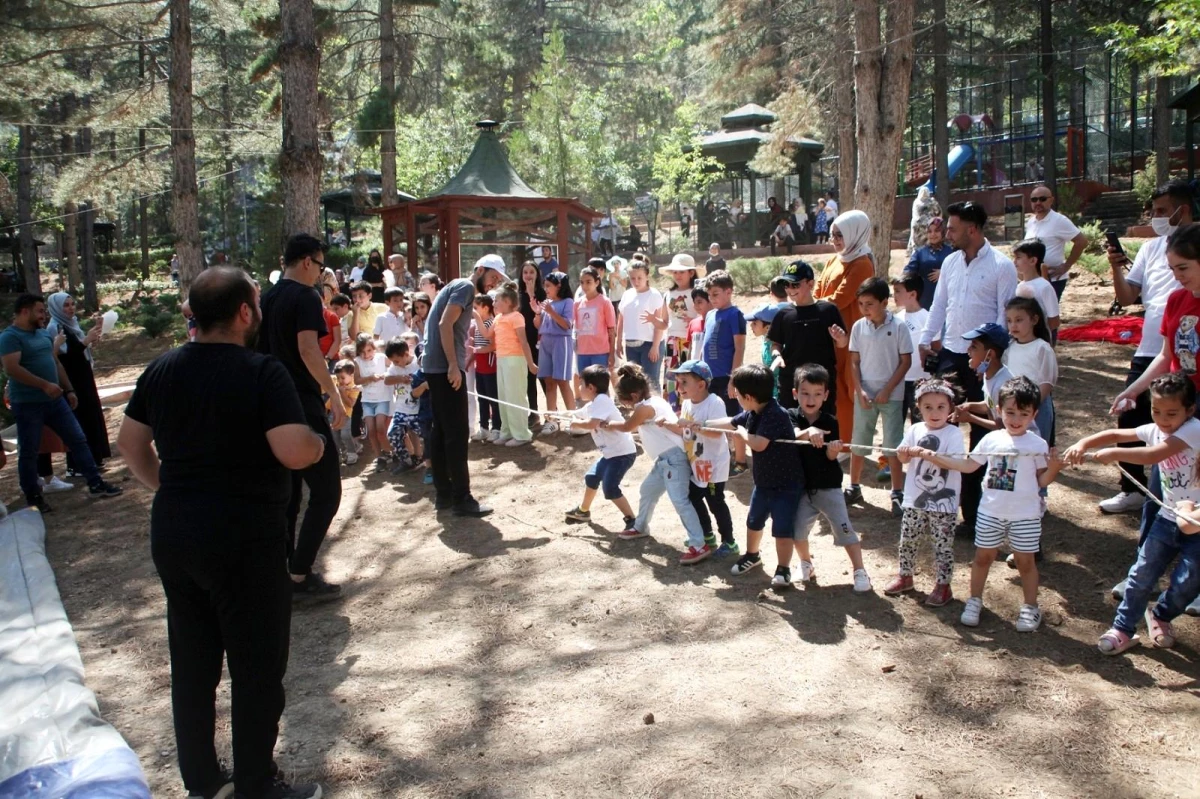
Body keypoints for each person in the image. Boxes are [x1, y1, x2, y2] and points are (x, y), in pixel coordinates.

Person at [116, 266, 326, 799]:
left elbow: (129, 444)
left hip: (176, 531)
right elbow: (293, 449)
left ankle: (204, 782)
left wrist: (171, 485)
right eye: (255, 302)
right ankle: (256, 784)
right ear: (244, 313)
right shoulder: (261, 372)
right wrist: (319, 441)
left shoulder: (161, 369)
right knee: (256, 668)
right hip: (242, 536)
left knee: (193, 664)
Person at [1063, 373, 1200, 654]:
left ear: (1190, 410)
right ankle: (1123, 629)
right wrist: (1084, 443)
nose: (1163, 419)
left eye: (1171, 413)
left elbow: (1153, 455)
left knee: (1189, 583)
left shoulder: (1192, 430)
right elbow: (1116, 434)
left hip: (1196, 522)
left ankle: (1160, 615)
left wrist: (1114, 454)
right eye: (1156, 411)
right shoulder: (1156, 429)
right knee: (1141, 575)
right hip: (1167, 518)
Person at [916, 377, 1063, 632]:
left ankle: (1030, 606)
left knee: (1025, 562)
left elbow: (1042, 480)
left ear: (1034, 414)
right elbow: (969, 466)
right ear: (999, 410)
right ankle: (974, 601)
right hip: (990, 512)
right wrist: (938, 458)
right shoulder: (991, 439)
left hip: (1025, 515)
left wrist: (1056, 467)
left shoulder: (1037, 444)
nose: (1016, 419)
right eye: (1010, 412)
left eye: (1023, 414)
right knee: (983, 557)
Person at [919, 201, 1017, 537]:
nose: (947, 233)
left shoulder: (1002, 266)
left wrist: (990, 362)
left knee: (984, 434)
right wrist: (925, 339)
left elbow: (1004, 319)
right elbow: (940, 305)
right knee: (937, 423)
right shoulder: (949, 262)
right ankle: (932, 502)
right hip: (950, 354)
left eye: (953, 227)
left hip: (982, 363)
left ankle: (976, 515)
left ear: (972, 229)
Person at [257, 234, 346, 600]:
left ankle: (281, 569)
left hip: (270, 404)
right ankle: (298, 573)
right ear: (307, 261)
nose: (321, 274)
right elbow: (309, 349)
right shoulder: (305, 296)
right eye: (321, 265)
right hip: (301, 403)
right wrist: (335, 394)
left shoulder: (268, 296)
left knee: (288, 495)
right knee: (326, 490)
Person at [1100, 181, 1192, 515]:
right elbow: (1129, 297)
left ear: (1185, 210)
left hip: (1186, 364)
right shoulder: (1155, 254)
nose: (1156, 218)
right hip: (1155, 350)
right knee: (1133, 415)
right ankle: (1134, 488)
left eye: (1163, 211)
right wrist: (1114, 266)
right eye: (1152, 212)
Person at [0, 294, 124, 512]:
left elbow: (55, 362)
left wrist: (69, 389)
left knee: (77, 439)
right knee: (29, 450)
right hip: (28, 404)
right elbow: (12, 368)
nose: (43, 315)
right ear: (25, 311)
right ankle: (33, 494)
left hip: (55, 400)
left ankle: (95, 482)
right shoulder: (10, 337)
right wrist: (44, 385)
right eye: (39, 311)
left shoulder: (42, 334)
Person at [701, 365, 806, 585]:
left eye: (737, 394)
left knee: (782, 529)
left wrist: (742, 434)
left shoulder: (775, 414)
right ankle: (752, 555)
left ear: (748, 396)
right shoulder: (753, 411)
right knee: (754, 522)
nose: (736, 397)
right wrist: (701, 424)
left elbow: (758, 444)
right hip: (763, 483)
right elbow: (731, 422)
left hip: (786, 485)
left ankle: (783, 569)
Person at [423, 254, 508, 514]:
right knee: (457, 433)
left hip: (434, 365)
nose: (494, 284)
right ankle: (461, 498)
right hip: (444, 366)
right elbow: (444, 322)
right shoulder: (465, 286)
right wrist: (452, 364)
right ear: (480, 270)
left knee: (441, 431)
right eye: (492, 277)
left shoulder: (458, 287)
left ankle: (444, 494)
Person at [604, 363, 710, 565]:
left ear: (633, 396)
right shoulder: (651, 403)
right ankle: (641, 526)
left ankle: (699, 545)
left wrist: (607, 424)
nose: (624, 405)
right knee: (647, 490)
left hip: (673, 460)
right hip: (663, 462)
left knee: (680, 501)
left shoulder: (645, 408)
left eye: (624, 401)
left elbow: (627, 426)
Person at [787, 364, 872, 592]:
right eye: (805, 393)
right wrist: (809, 433)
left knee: (845, 530)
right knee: (797, 531)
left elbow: (830, 455)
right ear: (796, 393)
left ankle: (859, 571)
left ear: (825, 395)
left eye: (817, 393)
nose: (811, 398)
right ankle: (806, 564)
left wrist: (834, 448)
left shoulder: (830, 421)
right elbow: (792, 435)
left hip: (828, 488)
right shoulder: (791, 416)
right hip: (803, 489)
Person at [889, 378, 965, 607]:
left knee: (942, 544)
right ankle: (905, 576)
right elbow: (903, 459)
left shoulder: (953, 433)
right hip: (914, 499)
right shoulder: (914, 429)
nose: (934, 412)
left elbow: (956, 462)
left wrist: (927, 454)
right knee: (908, 539)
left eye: (941, 407)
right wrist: (904, 452)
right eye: (928, 407)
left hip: (944, 503)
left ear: (950, 408)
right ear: (919, 409)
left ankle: (944, 585)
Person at [845, 277, 911, 515]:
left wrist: (887, 390)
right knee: (859, 440)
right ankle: (853, 486)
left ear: (885, 302)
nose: (865, 309)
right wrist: (859, 389)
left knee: (892, 444)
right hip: (865, 395)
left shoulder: (899, 327)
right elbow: (854, 361)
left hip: (892, 395)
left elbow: (905, 362)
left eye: (870, 304)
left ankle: (897, 491)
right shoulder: (858, 327)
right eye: (861, 304)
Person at [817, 209, 876, 439]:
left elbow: (840, 298)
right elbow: (819, 289)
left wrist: (814, 305)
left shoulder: (862, 264)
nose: (835, 241)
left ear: (854, 234)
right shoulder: (834, 259)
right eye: (833, 235)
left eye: (840, 235)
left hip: (850, 335)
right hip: (829, 335)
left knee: (847, 389)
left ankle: (846, 440)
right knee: (831, 387)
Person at [671, 360, 735, 556]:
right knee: (693, 496)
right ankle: (707, 534)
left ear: (701, 385)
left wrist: (695, 425)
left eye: (684, 382)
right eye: (677, 381)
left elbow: (717, 433)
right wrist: (667, 425)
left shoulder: (715, 403)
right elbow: (687, 433)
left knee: (715, 502)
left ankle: (729, 541)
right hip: (697, 463)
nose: (678, 387)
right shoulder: (688, 403)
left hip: (715, 464)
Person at [768, 260, 848, 412]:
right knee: (792, 430)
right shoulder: (783, 314)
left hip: (821, 384)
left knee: (824, 428)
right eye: (786, 285)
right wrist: (777, 355)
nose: (790, 289)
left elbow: (842, 343)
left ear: (810, 284)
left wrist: (840, 337)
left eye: (795, 284)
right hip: (791, 383)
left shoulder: (828, 310)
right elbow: (776, 343)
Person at [564, 365, 638, 530]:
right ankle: (583, 512)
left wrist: (573, 424)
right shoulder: (593, 404)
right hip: (611, 454)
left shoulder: (602, 401)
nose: (579, 388)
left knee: (610, 488)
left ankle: (633, 520)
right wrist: (557, 415)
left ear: (591, 387)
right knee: (592, 477)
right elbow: (576, 414)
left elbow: (590, 423)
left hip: (622, 454)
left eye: (581, 385)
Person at [44, 292, 111, 473]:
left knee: (91, 416)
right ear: (56, 308)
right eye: (66, 305)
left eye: (72, 304)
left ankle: (94, 459)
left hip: (83, 377)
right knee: (79, 420)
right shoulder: (55, 327)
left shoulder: (71, 325)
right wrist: (85, 342)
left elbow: (80, 349)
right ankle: (76, 465)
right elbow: (62, 358)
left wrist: (92, 338)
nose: (71, 308)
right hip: (71, 379)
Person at [701, 269, 748, 475]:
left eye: (716, 294)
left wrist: (733, 379)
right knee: (715, 419)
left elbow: (740, 347)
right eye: (709, 294)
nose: (712, 298)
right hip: (710, 377)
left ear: (729, 292)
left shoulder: (735, 314)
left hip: (726, 377)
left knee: (734, 419)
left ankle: (741, 462)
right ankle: (723, 457)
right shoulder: (710, 314)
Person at [487, 284, 538, 447]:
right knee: (503, 396)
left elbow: (524, 341)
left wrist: (531, 363)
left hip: (515, 360)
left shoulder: (516, 316)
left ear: (508, 301)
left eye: (497, 301)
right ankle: (507, 431)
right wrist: (475, 315)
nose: (494, 304)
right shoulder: (497, 318)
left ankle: (522, 434)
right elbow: (488, 336)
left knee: (515, 396)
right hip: (501, 360)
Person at [1025, 185, 1089, 300]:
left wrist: (1066, 265)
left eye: (1042, 199)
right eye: (1034, 199)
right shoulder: (1030, 222)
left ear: (1051, 200)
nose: (1038, 202)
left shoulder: (1059, 220)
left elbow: (1082, 241)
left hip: (1052, 279)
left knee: (1048, 314)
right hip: (1033, 278)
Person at [534, 271, 576, 435]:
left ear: (559, 286)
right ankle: (551, 420)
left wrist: (551, 311)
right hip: (546, 342)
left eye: (548, 286)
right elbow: (538, 325)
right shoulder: (547, 303)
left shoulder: (568, 302)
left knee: (563, 382)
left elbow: (567, 325)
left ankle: (574, 420)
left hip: (561, 342)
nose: (546, 289)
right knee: (549, 382)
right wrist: (537, 312)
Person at [616, 259, 666, 391]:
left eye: (639, 278)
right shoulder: (627, 294)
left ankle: (655, 410)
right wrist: (619, 341)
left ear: (647, 276)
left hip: (649, 344)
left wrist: (655, 346)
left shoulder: (654, 294)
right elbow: (621, 319)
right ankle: (639, 409)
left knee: (651, 380)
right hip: (631, 344)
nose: (636, 281)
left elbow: (658, 322)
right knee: (634, 381)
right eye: (633, 278)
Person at [660, 253, 702, 409]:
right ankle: (672, 409)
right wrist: (653, 320)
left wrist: (694, 322)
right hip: (671, 340)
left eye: (681, 271)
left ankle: (690, 409)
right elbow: (664, 321)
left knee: (689, 376)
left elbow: (704, 315)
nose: (677, 275)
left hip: (690, 340)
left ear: (691, 273)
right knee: (671, 376)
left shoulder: (697, 293)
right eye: (675, 272)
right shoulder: (668, 294)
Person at [955, 323, 1014, 433]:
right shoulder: (989, 374)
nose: (968, 350)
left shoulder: (1002, 385)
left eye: (974, 346)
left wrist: (970, 418)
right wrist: (969, 406)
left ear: (990, 354)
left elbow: (1002, 426)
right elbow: (990, 404)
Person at [891, 273, 929, 423]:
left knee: (919, 422)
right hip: (899, 379)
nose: (894, 295)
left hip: (920, 380)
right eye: (894, 291)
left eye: (898, 291)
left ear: (912, 294)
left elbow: (935, 347)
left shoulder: (927, 318)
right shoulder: (896, 318)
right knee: (895, 422)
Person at [353, 335, 393, 468]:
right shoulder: (357, 361)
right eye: (362, 352)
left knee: (380, 428)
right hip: (367, 400)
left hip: (382, 398)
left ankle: (389, 452)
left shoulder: (381, 358)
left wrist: (385, 375)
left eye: (369, 350)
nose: (366, 355)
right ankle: (379, 456)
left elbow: (394, 366)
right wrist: (370, 378)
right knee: (370, 430)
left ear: (374, 349)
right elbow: (357, 380)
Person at [383, 338, 421, 470]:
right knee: (392, 433)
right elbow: (386, 380)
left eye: (397, 361)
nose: (395, 364)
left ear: (406, 353)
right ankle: (406, 460)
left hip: (418, 409)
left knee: (426, 436)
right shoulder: (394, 367)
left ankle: (424, 459)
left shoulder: (418, 363)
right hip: (401, 409)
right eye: (393, 361)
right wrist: (400, 378)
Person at [1012, 239, 1061, 340]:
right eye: (1014, 257)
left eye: (1018, 257)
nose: (1014, 261)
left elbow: (1054, 321)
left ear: (1033, 260)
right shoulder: (1019, 286)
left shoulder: (1044, 287)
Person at [573, 264, 617, 378]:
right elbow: (574, 328)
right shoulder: (577, 303)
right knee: (586, 388)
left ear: (597, 282)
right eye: (582, 282)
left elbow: (611, 330)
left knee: (600, 388)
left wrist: (612, 354)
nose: (584, 285)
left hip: (600, 352)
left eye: (588, 282)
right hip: (582, 352)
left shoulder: (605, 302)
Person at [470, 294, 501, 442]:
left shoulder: (490, 323)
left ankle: (496, 428)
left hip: (489, 365)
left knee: (493, 398)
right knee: (482, 397)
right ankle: (483, 427)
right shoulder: (478, 323)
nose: (473, 311)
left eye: (476, 308)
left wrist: (476, 350)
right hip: (480, 366)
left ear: (485, 308)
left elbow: (492, 345)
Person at [903, 217, 951, 310]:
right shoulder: (920, 253)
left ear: (943, 232)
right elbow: (908, 271)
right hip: (924, 300)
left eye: (937, 231)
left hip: (946, 301)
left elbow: (961, 271)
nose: (933, 234)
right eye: (929, 231)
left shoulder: (951, 252)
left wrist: (944, 273)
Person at [746, 304, 782, 396]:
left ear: (767, 328)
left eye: (754, 323)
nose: (751, 326)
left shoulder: (780, 345)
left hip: (779, 395)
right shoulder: (765, 339)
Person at [332, 361, 359, 465]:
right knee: (334, 435)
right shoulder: (335, 382)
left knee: (345, 434)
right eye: (338, 378)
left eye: (342, 378)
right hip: (333, 413)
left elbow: (350, 404)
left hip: (346, 414)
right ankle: (340, 454)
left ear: (351, 376)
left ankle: (352, 452)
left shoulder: (354, 388)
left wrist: (342, 393)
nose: (340, 380)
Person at [907, 185, 941, 255]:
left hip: (923, 225)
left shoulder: (919, 202)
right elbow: (939, 212)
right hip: (924, 225)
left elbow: (938, 212)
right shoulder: (930, 201)